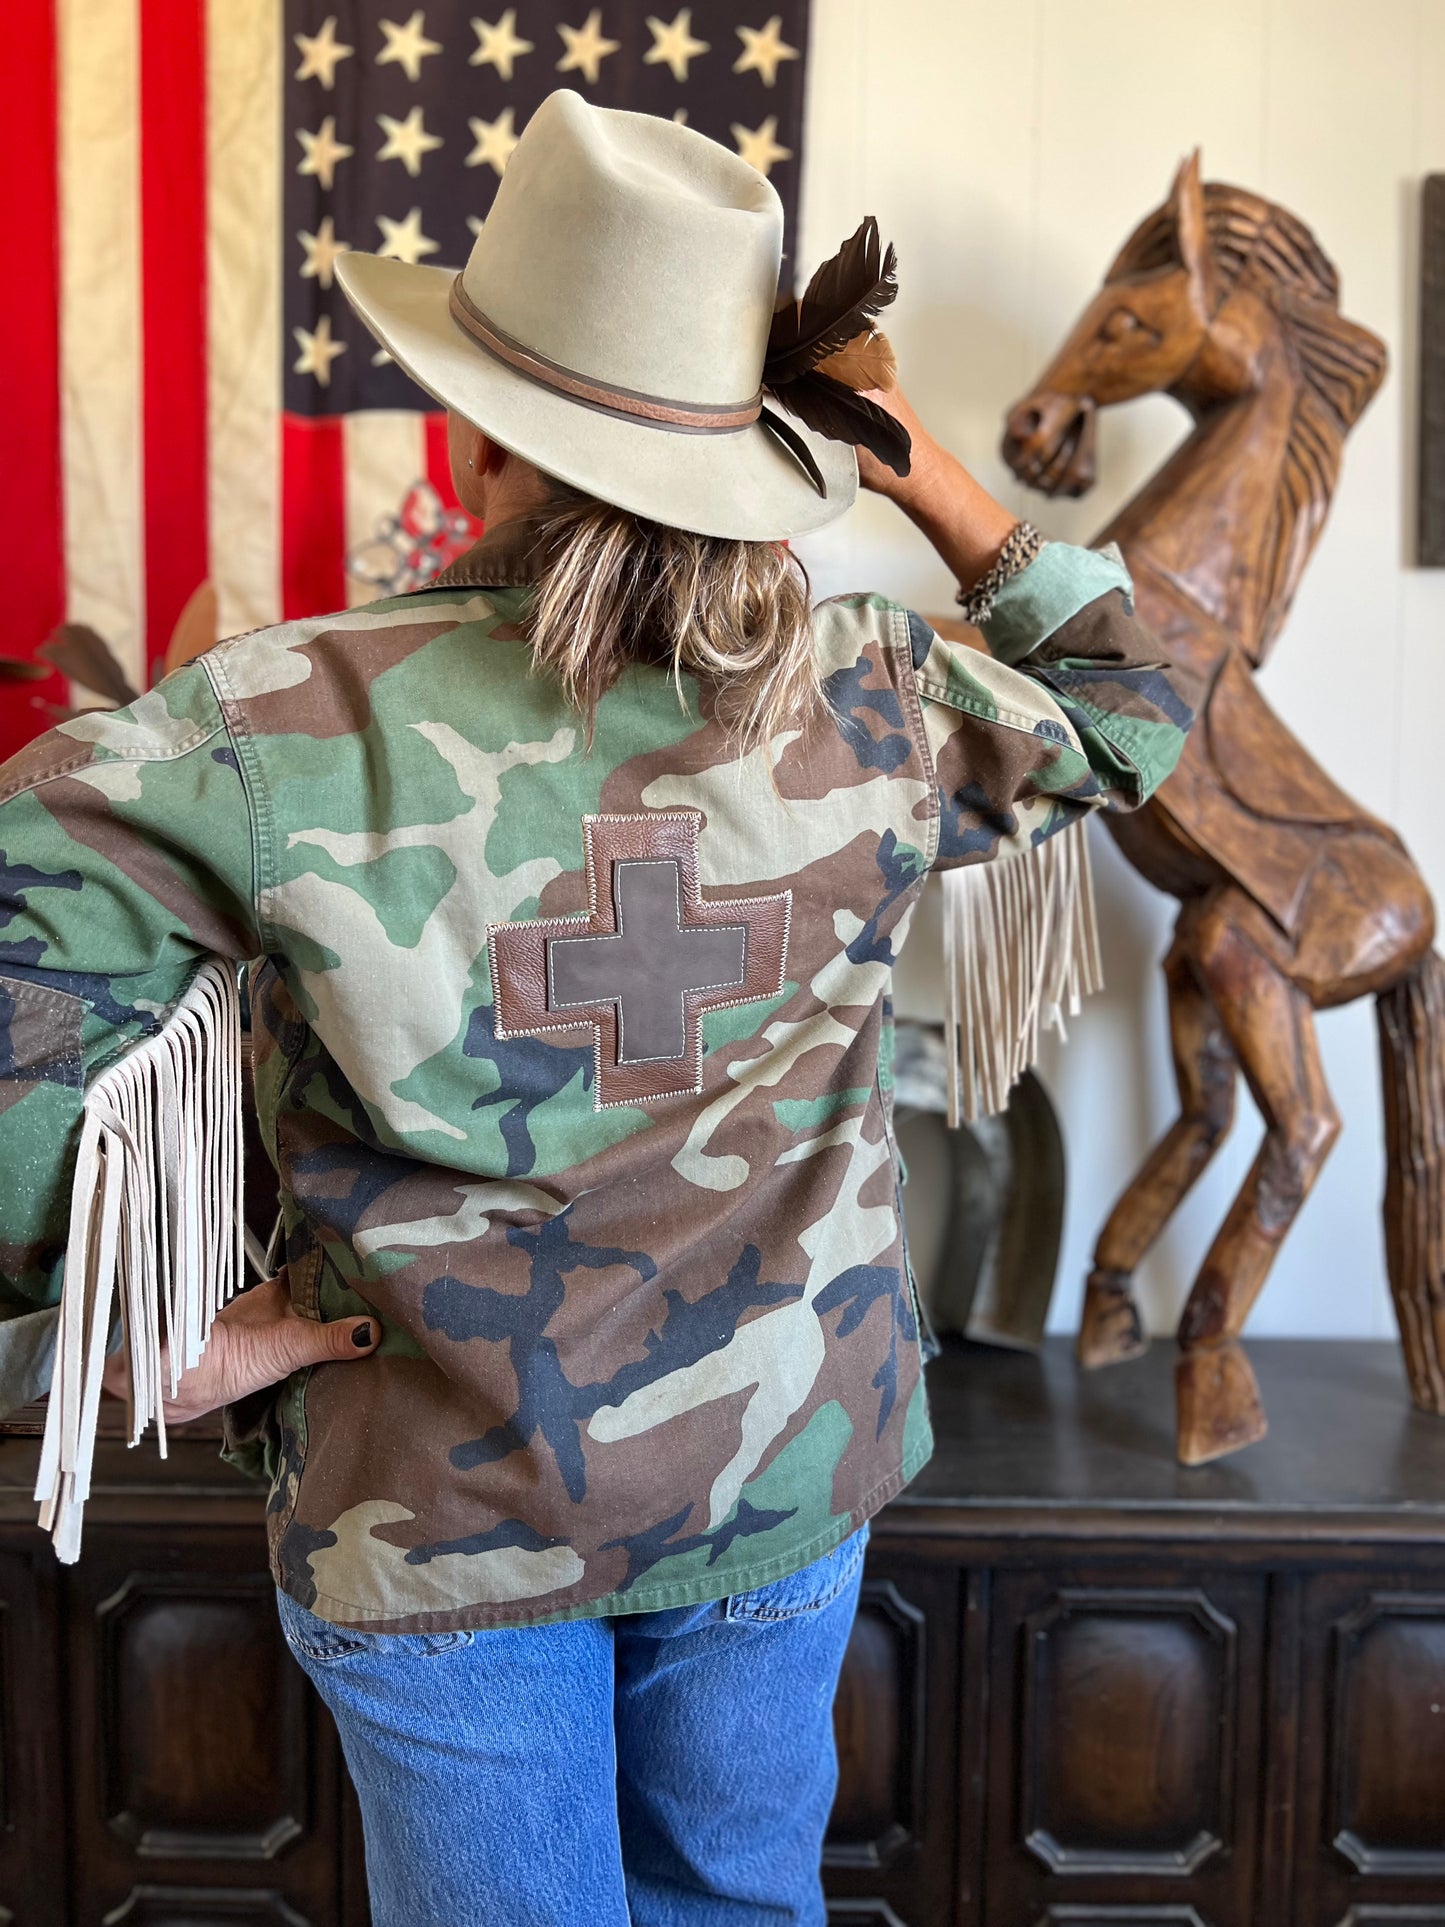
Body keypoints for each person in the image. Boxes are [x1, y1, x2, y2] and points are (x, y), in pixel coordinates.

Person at [0, 93, 1194, 1927]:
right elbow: (1133, 696)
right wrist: (909, 463)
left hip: (434, 1509)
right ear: (767, 438)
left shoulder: (271, 725)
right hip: (778, 1468)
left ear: (482, 416)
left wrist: (125, 1328)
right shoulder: (873, 701)